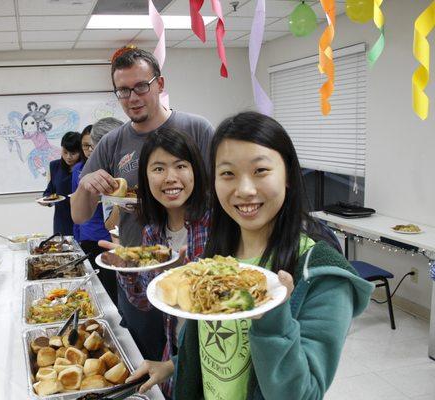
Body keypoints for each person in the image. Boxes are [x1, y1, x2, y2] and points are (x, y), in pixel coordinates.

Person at [128, 112, 374, 400]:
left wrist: (274, 319)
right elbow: (215, 352)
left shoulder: (321, 273)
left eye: (260, 171)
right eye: (228, 173)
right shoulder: (219, 260)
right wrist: (172, 366)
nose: (244, 190)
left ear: (289, 177)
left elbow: (302, 394)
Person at [71, 48, 214, 361]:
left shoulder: (196, 129)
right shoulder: (111, 143)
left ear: (159, 84)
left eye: (141, 86)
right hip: (138, 274)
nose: (132, 97)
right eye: (123, 90)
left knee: (196, 361)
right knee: (146, 362)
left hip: (197, 268)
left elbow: (222, 192)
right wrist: (86, 184)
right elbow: (80, 215)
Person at [136, 126, 210, 398]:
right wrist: (128, 267)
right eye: (158, 169)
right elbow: (146, 301)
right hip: (176, 348)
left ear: (195, 171)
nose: (170, 178)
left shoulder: (217, 223)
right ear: (145, 177)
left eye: (180, 165)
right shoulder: (152, 231)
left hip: (217, 359)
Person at [72, 119, 123, 306]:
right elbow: (80, 216)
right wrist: (122, 201)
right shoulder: (100, 175)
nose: (92, 153)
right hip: (105, 243)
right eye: (88, 147)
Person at [40, 131, 81, 235]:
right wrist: (46, 200)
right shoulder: (54, 166)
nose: (68, 157)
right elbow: (50, 191)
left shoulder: (85, 167)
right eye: (65, 152)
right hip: (61, 220)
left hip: (82, 219)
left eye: (73, 153)